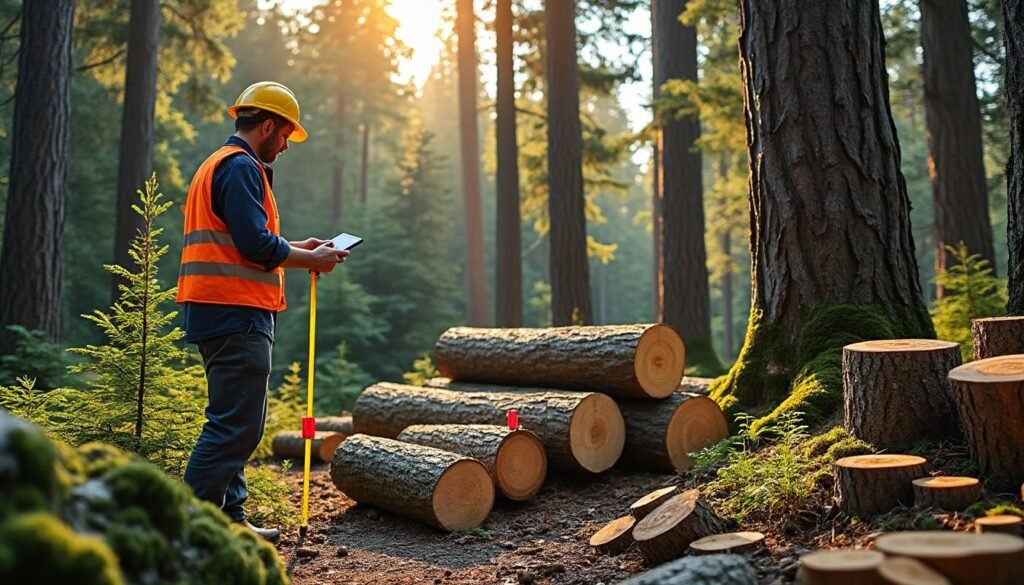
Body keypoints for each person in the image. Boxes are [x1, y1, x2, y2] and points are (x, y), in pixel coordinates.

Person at [177, 81, 346, 542]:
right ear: (268, 126)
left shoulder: (220, 164)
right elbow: (254, 245)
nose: (287, 146)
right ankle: (188, 532)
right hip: (236, 313)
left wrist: (297, 248)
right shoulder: (241, 168)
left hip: (219, 311)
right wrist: (309, 259)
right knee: (235, 427)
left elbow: (243, 241)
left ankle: (229, 522)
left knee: (235, 422)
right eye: (286, 134)